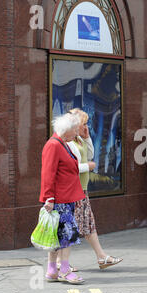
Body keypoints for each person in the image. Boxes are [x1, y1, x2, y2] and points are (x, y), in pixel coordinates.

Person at [57, 108, 122, 270]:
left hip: (81, 189)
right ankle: (60, 263)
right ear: (75, 124)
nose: (86, 126)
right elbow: (71, 167)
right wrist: (88, 167)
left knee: (88, 224)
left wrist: (87, 138)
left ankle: (101, 257)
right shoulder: (68, 142)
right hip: (72, 190)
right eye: (83, 123)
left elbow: (91, 154)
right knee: (68, 227)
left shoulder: (78, 140)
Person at [40, 113, 85, 284]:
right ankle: (64, 271)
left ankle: (52, 270)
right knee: (66, 236)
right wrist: (48, 198)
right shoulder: (54, 145)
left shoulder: (62, 143)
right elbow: (47, 174)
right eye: (75, 130)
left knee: (56, 236)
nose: (76, 133)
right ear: (66, 130)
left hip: (64, 198)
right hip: (60, 199)